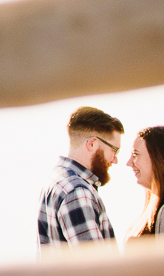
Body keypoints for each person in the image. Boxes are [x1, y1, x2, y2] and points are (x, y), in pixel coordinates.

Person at [38, 106, 123, 249]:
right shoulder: (76, 191)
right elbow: (96, 268)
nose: (115, 160)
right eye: (114, 150)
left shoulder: (56, 179)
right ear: (92, 144)